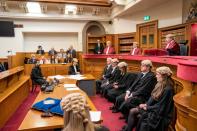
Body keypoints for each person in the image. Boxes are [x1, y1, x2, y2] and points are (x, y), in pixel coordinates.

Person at [122, 66, 174, 131]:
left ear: (163, 76)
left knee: (136, 113)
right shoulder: (160, 84)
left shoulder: (168, 89)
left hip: (159, 114)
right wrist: (146, 104)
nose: (156, 76)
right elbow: (152, 98)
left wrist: (147, 107)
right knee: (132, 111)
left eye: (157, 74)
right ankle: (128, 129)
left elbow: (162, 106)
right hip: (153, 108)